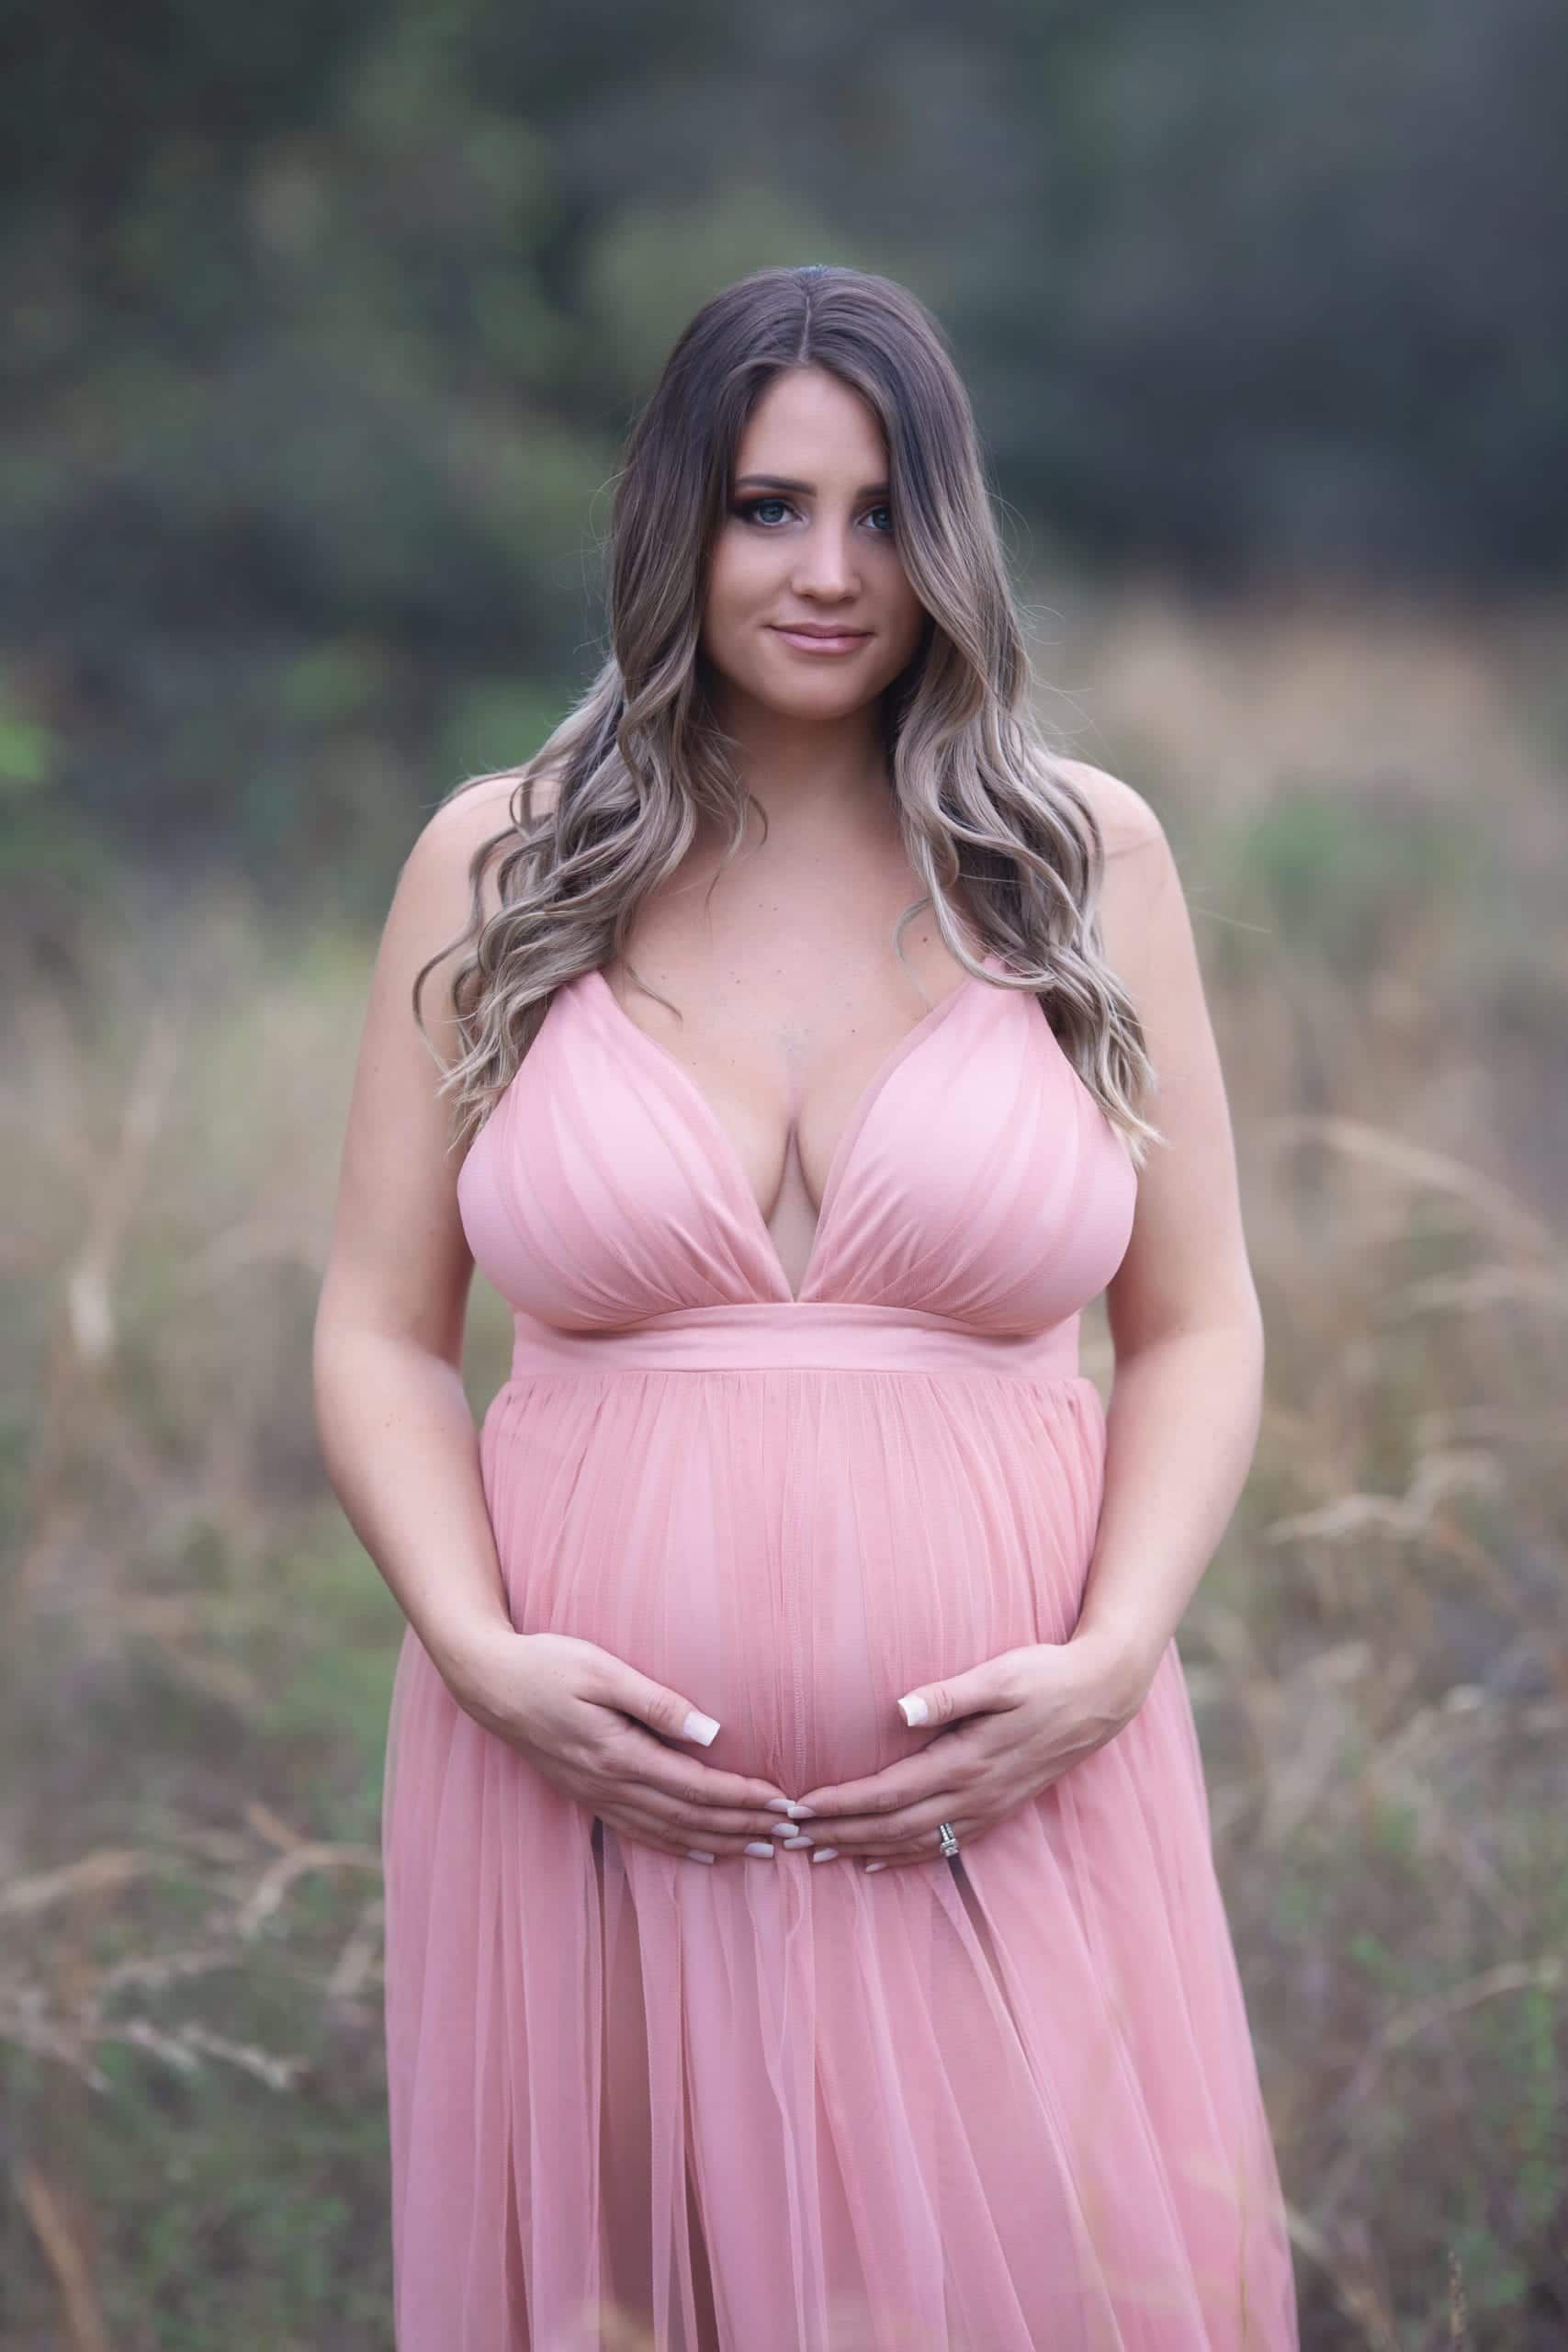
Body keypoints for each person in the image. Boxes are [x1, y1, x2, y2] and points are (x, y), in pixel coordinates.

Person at [313, 264, 1300, 2351]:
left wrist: (1111, 1656)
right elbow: (382, 1324)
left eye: (879, 512)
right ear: (674, 518)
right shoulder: (499, 864)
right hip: (575, 1810)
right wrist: (480, 1655)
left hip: (1014, 1788)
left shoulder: (1074, 862)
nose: (829, 571)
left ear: (950, 536)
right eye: (769, 506)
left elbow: (1195, 1321)